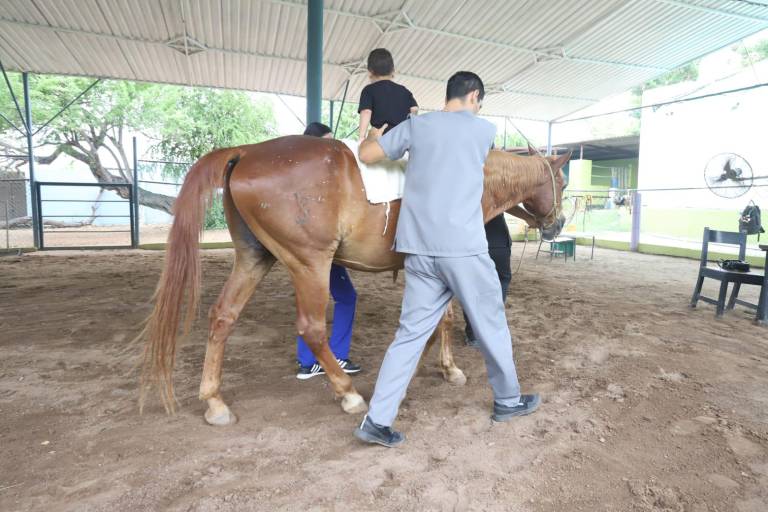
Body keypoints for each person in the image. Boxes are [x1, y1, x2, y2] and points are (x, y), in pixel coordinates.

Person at [354, 71, 540, 448]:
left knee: (408, 336)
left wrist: (373, 135)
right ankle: (507, 400)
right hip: (463, 249)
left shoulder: (416, 126)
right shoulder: (483, 129)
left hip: (419, 249)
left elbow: (367, 155)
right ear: (474, 96)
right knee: (490, 323)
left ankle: (377, 420)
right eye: (479, 101)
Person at [295, 122, 362, 379]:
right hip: (323, 249)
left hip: (305, 248)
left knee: (307, 297)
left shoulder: (302, 177)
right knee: (345, 297)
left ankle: (307, 361)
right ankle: (338, 356)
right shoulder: (322, 179)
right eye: (328, 143)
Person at [465, 214, 512, 346]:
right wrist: (528, 217)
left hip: (471, 241)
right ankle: (492, 330)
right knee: (501, 283)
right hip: (498, 241)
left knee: (471, 286)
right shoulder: (499, 192)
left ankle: (473, 335)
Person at [357, 48, 418, 140]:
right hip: (401, 137)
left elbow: (366, 112)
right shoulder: (404, 90)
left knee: (364, 153)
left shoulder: (368, 90)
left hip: (380, 136)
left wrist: (362, 137)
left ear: (370, 71)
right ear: (392, 70)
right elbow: (414, 108)